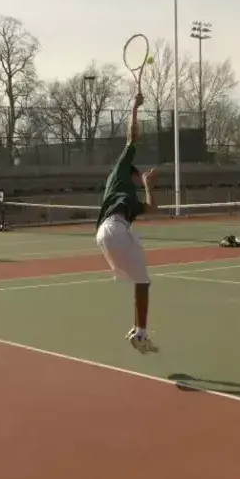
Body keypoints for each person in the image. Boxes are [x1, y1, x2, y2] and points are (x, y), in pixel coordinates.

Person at [94, 93, 159, 354]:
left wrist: (148, 186)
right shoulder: (120, 174)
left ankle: (138, 330)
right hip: (114, 228)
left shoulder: (132, 198)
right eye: (138, 176)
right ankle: (141, 334)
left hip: (104, 234)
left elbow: (153, 208)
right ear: (130, 173)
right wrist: (134, 107)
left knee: (140, 280)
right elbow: (133, 137)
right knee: (143, 282)